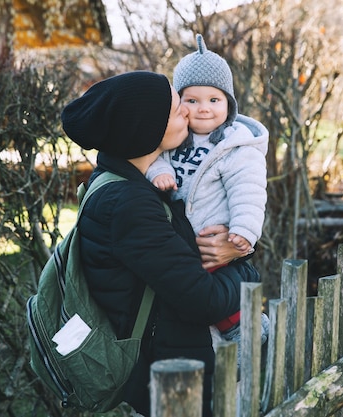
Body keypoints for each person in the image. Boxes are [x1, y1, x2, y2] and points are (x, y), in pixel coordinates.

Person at [60, 71, 259, 417]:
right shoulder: (129, 205)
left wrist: (235, 245)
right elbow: (204, 300)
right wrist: (248, 270)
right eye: (174, 107)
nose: (186, 109)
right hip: (171, 382)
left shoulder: (139, 183)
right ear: (145, 129)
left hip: (175, 361)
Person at [146, 34, 269, 359]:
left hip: (213, 234)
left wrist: (244, 230)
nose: (203, 109)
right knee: (192, 292)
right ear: (178, 103)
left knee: (214, 289)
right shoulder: (172, 137)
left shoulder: (234, 146)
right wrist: (156, 171)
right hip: (178, 241)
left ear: (229, 104)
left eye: (214, 100)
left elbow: (249, 190)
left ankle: (247, 327)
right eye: (192, 100)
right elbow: (151, 156)